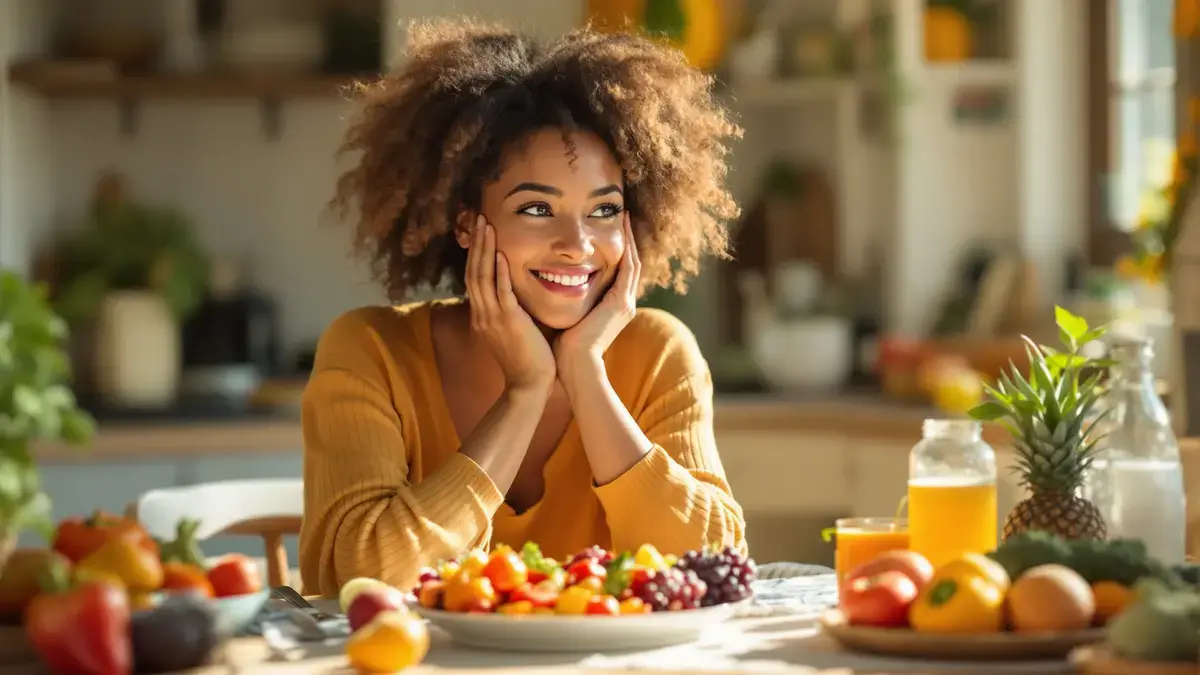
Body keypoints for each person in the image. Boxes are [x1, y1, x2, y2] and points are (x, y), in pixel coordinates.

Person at [298, 18, 746, 596]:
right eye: (537, 209)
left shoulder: (658, 351)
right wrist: (525, 391)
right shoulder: (371, 351)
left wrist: (585, 373)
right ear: (467, 223)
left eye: (604, 211)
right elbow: (361, 580)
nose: (577, 245)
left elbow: (712, 569)